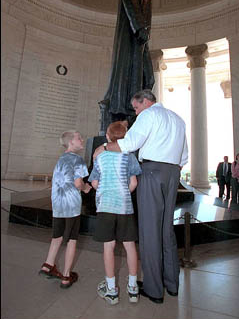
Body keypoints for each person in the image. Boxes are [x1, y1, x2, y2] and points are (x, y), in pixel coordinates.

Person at [94, 89, 188, 304]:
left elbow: (130, 143)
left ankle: (155, 290)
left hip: (152, 172)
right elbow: (184, 155)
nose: (136, 112)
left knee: (149, 231)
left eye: (136, 107)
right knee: (166, 229)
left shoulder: (149, 114)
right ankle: (171, 284)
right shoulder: (178, 119)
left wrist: (104, 147)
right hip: (173, 173)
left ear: (145, 102)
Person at [89, 121, 142, 305]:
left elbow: (94, 183)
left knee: (108, 247)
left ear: (108, 138)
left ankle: (111, 290)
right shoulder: (129, 156)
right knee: (130, 246)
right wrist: (123, 193)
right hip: (124, 207)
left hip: (105, 207)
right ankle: (133, 288)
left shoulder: (100, 157)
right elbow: (133, 183)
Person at [99, 0, 154, 134]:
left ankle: (136, 109)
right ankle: (128, 110)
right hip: (133, 33)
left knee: (148, 77)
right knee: (131, 73)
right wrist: (138, 27)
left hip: (141, 36)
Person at [39, 131, 91, 288]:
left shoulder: (60, 159)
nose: (82, 139)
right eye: (78, 138)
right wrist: (86, 188)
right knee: (72, 239)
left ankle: (48, 264)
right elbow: (77, 183)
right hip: (71, 204)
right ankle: (67, 276)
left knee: (57, 236)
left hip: (58, 203)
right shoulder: (78, 159)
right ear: (70, 143)